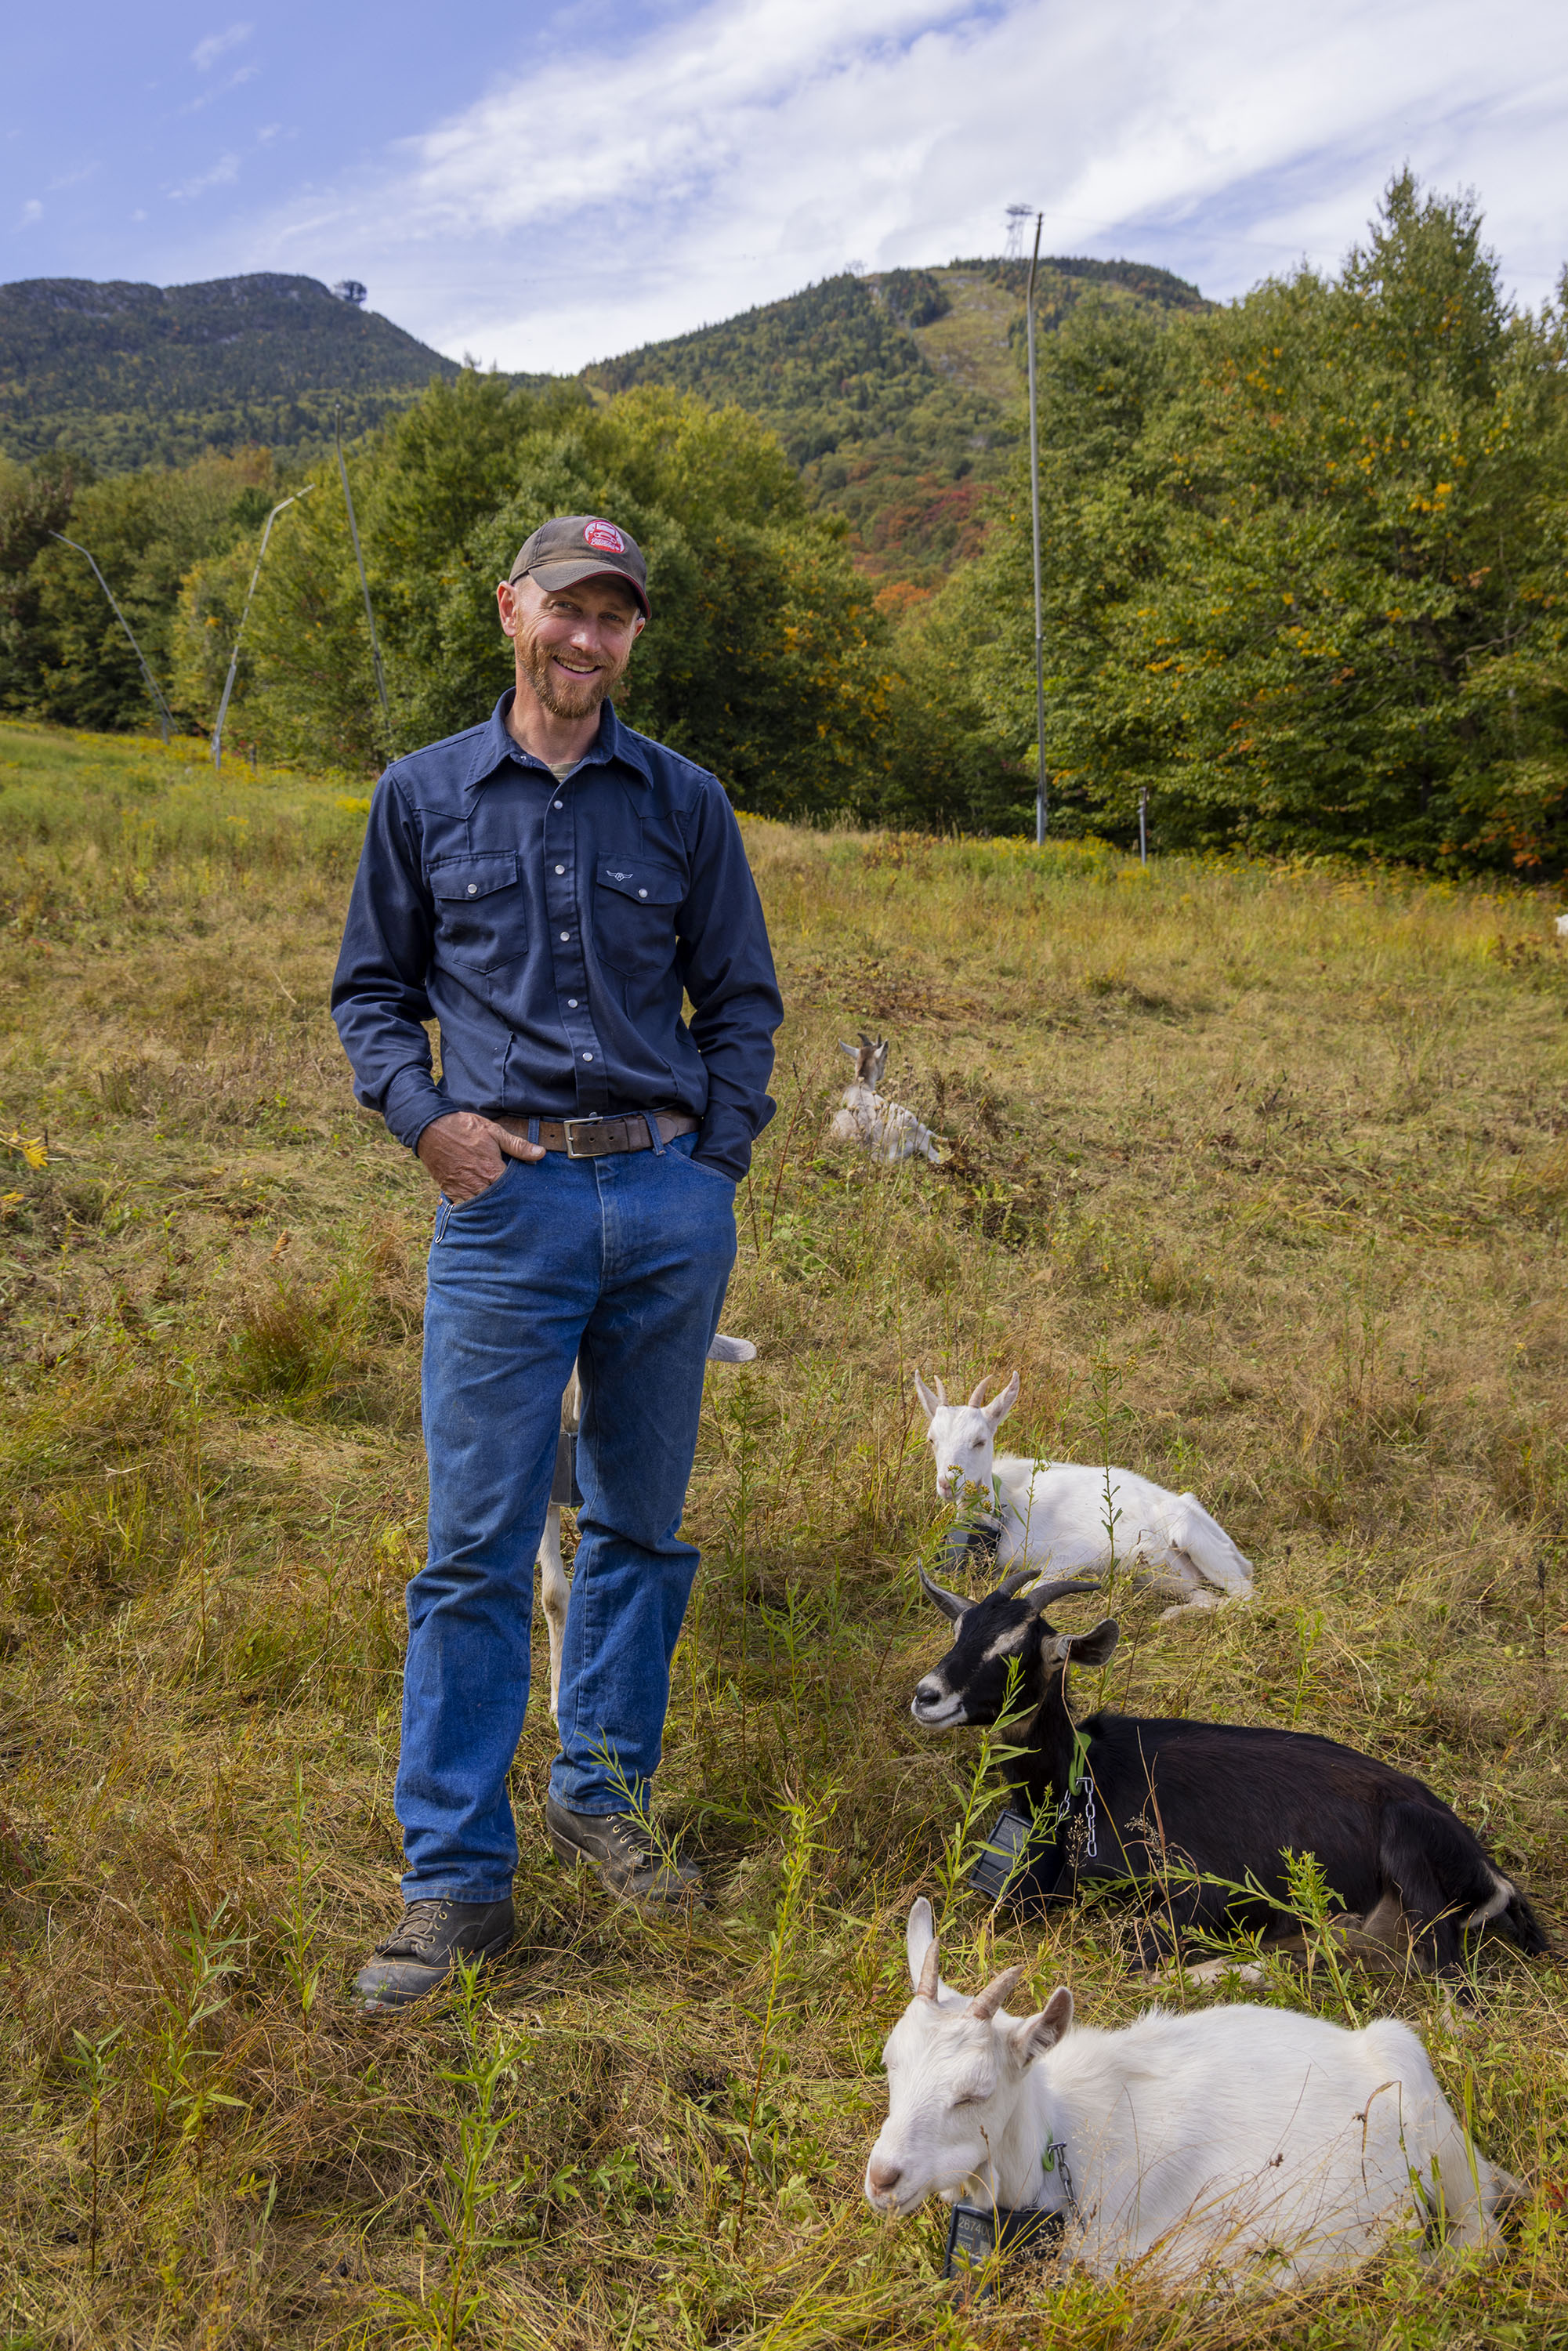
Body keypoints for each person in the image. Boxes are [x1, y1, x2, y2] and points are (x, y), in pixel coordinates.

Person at [331, 514, 782, 2009]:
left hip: (664, 1207)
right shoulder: (423, 795)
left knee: (639, 1531)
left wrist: (709, 1168)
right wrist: (426, 1125)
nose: (589, 639)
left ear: (635, 638)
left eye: (617, 618)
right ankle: (455, 1882)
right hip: (505, 1210)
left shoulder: (685, 802)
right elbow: (374, 993)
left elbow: (743, 998)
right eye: (567, 610)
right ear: (509, 609)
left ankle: (602, 1794)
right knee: (473, 1549)